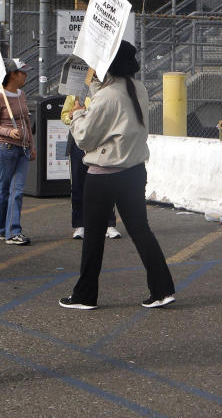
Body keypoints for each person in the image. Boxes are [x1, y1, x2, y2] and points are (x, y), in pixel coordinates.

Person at [59, 41, 175, 309]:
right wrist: (95, 88)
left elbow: (86, 138)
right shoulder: (137, 88)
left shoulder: (107, 96)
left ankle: (85, 295)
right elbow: (110, 107)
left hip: (103, 175)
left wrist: (77, 115)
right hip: (133, 173)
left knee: (93, 237)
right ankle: (162, 289)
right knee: (141, 231)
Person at [0, 59, 35, 246]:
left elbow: (25, 120)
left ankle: (9, 230)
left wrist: (31, 145)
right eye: (22, 72)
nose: (25, 75)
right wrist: (8, 131)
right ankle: (5, 230)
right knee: (5, 190)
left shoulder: (21, 94)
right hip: (5, 147)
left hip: (22, 148)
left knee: (16, 190)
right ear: (12, 74)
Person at [62, 93, 121, 240]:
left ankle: (109, 223)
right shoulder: (74, 93)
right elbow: (64, 116)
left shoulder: (103, 92)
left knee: (106, 184)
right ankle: (79, 224)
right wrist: (72, 114)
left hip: (100, 141)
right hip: (78, 142)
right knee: (77, 184)